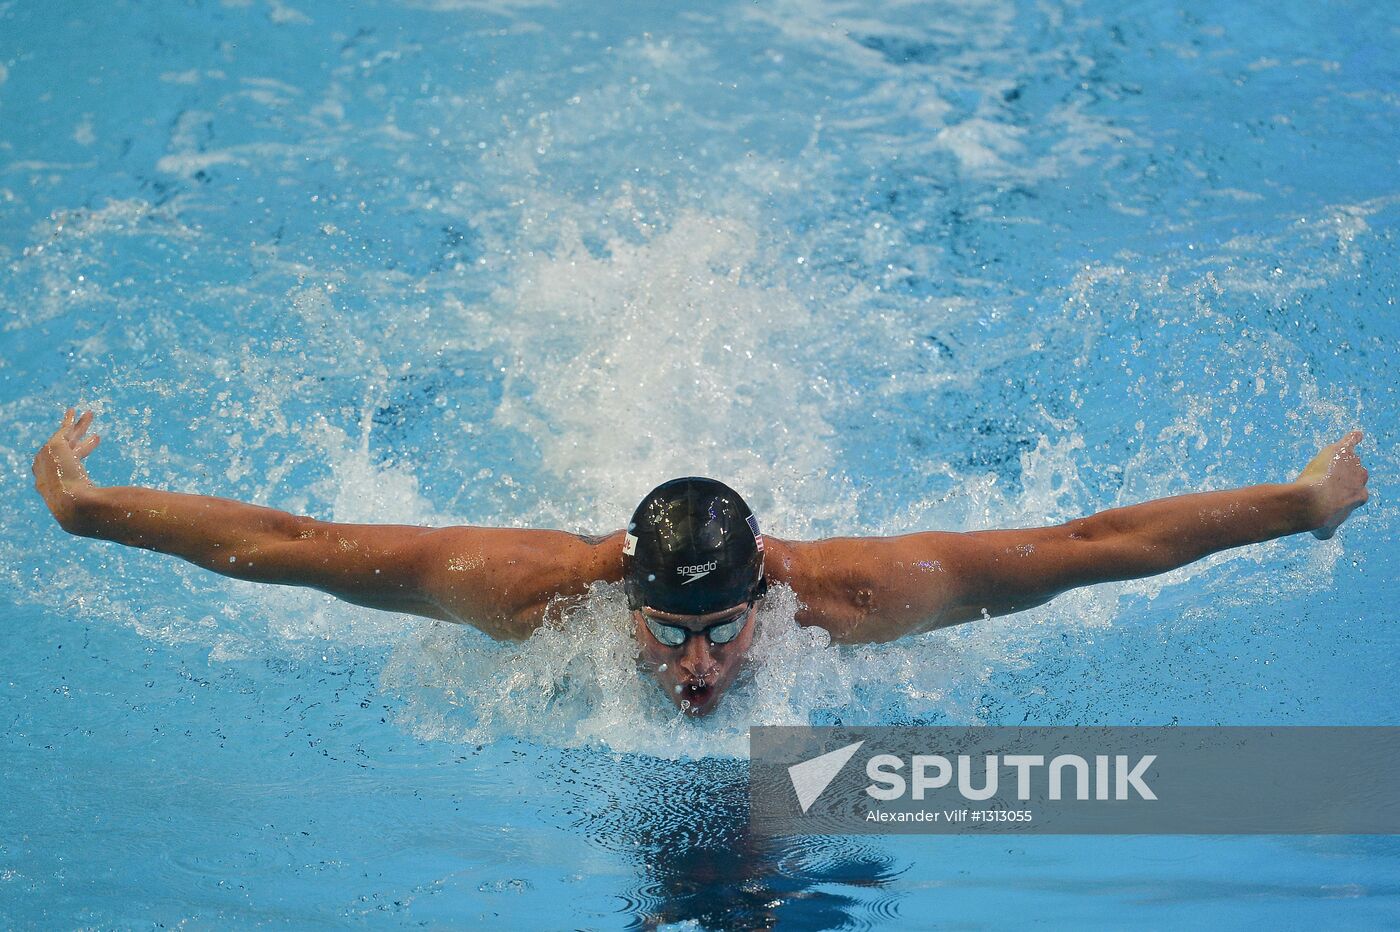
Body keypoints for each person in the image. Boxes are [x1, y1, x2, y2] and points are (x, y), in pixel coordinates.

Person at [33, 408, 1370, 716]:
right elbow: (297, 548)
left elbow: (1089, 548)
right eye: (670, 635)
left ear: (763, 596)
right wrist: (93, 513)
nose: (699, 664)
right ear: (626, 587)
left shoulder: (849, 599)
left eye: (722, 632)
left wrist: (1296, 506)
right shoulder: (527, 592)